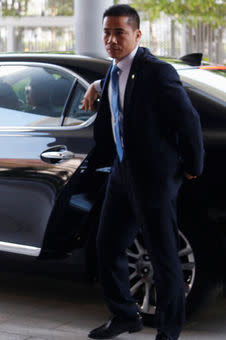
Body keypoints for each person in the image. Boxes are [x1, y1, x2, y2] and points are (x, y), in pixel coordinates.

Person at [81, 5, 204, 340]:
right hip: (122, 174)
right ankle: (124, 316)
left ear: (137, 34)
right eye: (106, 33)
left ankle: (168, 331)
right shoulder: (114, 69)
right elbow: (115, 82)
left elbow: (188, 120)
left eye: (119, 32)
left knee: (164, 257)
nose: (111, 39)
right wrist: (95, 85)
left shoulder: (157, 71)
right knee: (107, 246)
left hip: (154, 178)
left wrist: (193, 167)